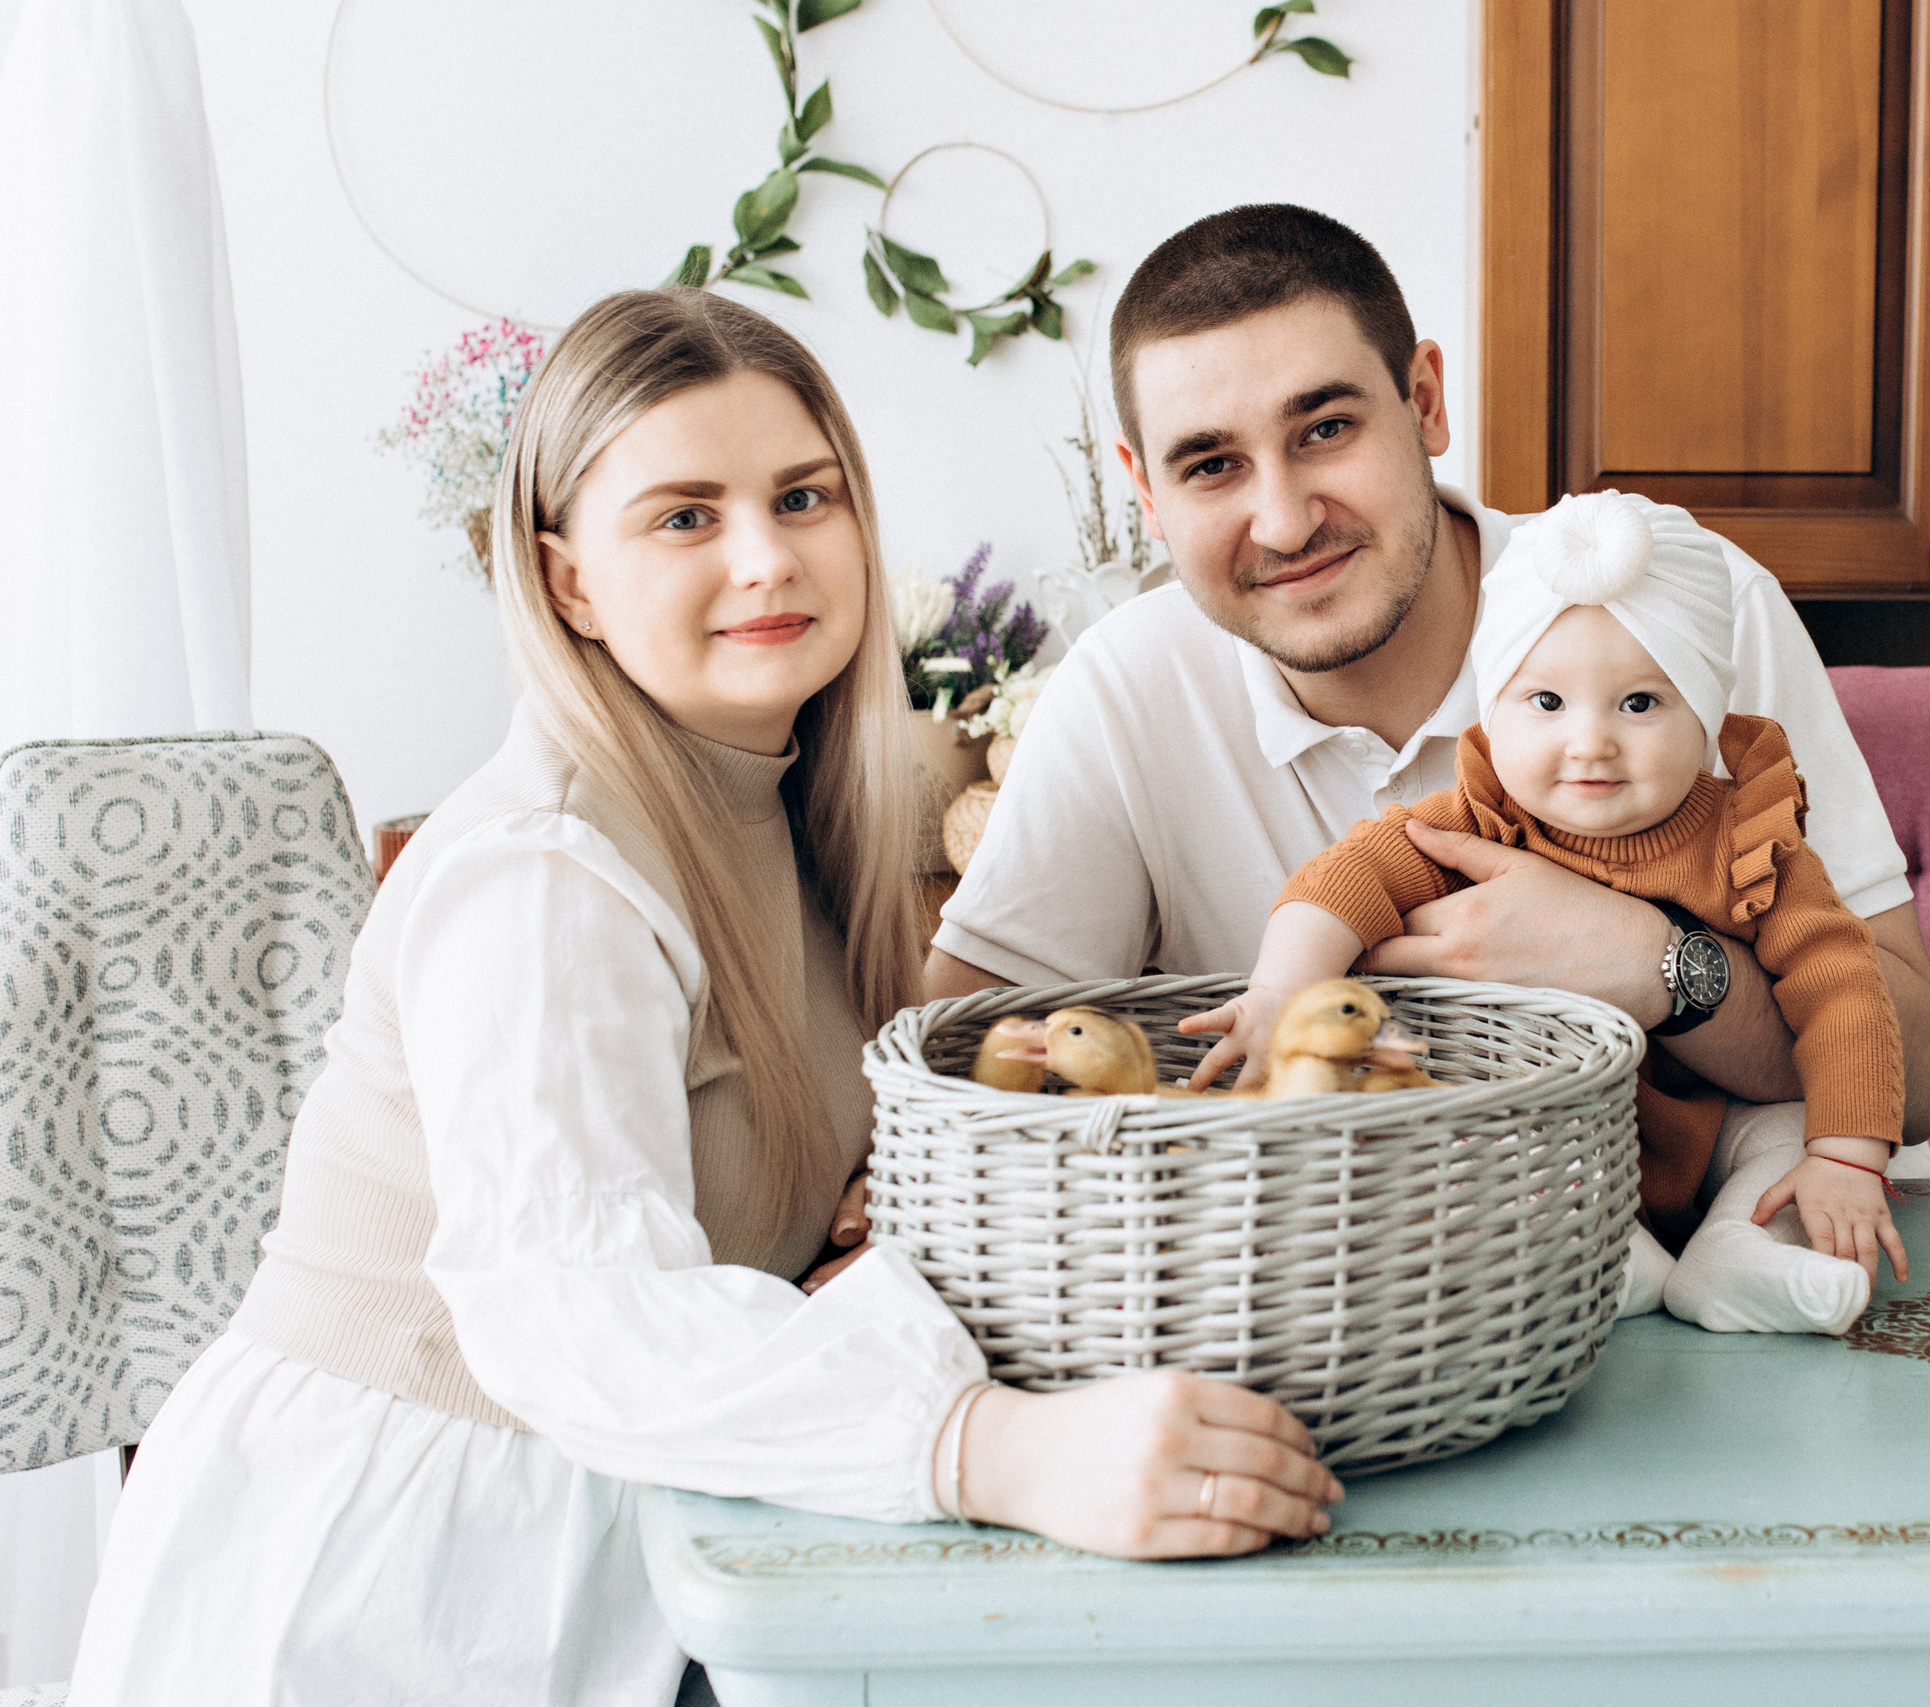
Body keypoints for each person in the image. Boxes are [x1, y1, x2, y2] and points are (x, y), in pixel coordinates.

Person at [71, 290, 1337, 1707]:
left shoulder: (789, 814)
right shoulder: (547, 873)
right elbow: (577, 1316)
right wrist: (1000, 1448)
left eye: (804, 496)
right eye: (684, 515)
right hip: (405, 1573)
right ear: (566, 582)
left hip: (611, 1530)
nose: (765, 555)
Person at [929, 204, 1930, 1195]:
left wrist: (1661, 965)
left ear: (1424, 401)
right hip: (1379, 1311)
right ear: (1145, 491)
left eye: (1325, 428)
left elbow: (1919, 1079)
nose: (1282, 522)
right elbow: (953, 1072)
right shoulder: (1122, 688)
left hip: (1745, 1253)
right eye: (1210, 465)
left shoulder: (1676, 596)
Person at [1184, 489, 1910, 1333]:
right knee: (1467, 1147)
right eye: (1547, 703)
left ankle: (1737, 1253)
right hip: (1554, 1149)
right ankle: (1609, 1263)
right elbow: (1341, 883)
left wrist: (1846, 1157)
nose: (1590, 742)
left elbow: (1845, 989)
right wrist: (1278, 994)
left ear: (1708, 711)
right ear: (1495, 711)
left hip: (1714, 1138)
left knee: (1787, 1132)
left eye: (1640, 704)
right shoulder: (1474, 821)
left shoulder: (1747, 839)